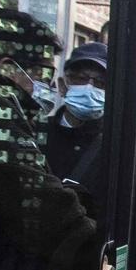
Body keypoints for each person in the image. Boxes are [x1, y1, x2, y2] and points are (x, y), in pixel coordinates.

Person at [42, 40, 108, 185]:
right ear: (62, 86)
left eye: (100, 83)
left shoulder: (114, 143)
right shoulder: (39, 132)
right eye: (81, 79)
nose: (89, 88)